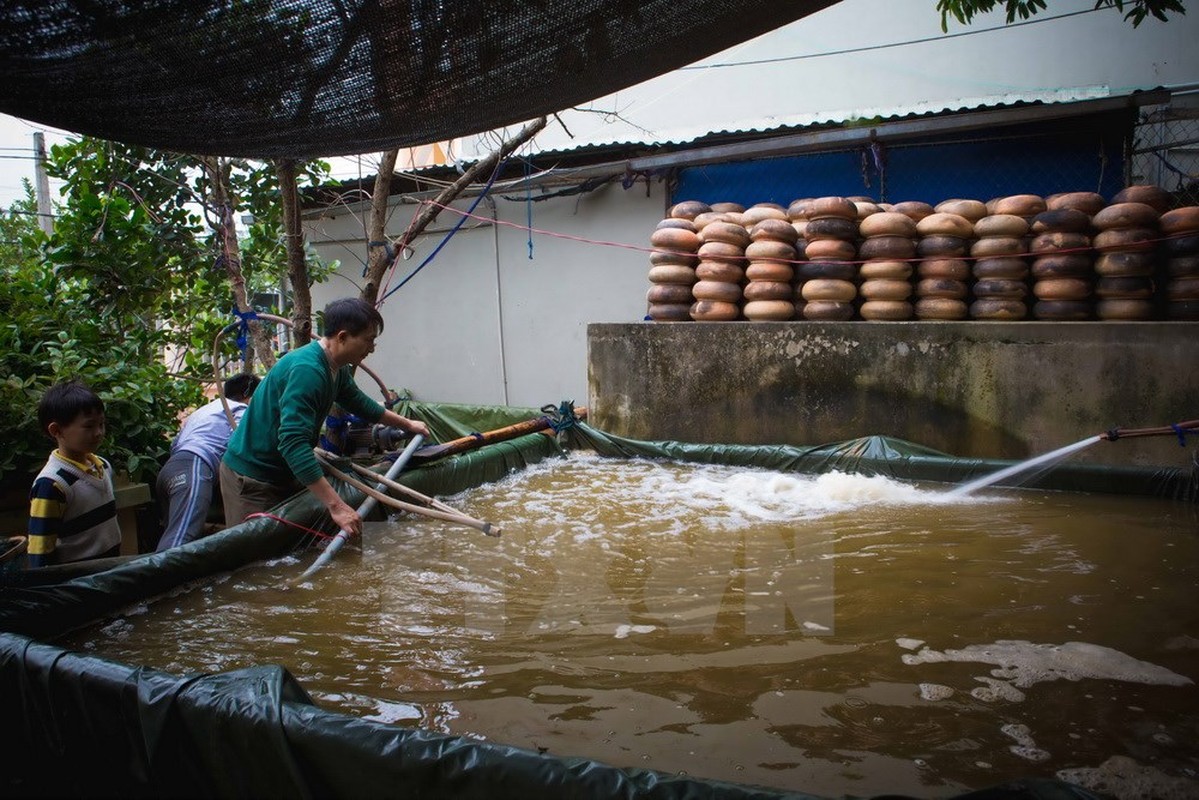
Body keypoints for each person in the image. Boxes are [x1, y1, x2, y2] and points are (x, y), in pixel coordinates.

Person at [220, 297, 430, 536]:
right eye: (368, 340)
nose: (371, 349)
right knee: (253, 561)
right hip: (252, 477)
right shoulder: (308, 371)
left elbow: (359, 403)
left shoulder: (335, 367)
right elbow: (292, 443)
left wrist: (407, 423)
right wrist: (337, 506)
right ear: (342, 337)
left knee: (292, 550)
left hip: (284, 472)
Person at [155, 372, 261, 552]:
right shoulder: (240, 410)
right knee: (178, 544)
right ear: (247, 394)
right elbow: (244, 445)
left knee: (172, 535)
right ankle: (160, 581)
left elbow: (176, 444)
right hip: (195, 468)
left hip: (170, 469)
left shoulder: (204, 411)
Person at [27, 380, 122, 568]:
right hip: (78, 582)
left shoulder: (103, 466)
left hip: (111, 570)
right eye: (89, 426)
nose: (98, 433)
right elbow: (40, 550)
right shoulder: (52, 484)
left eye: (101, 424)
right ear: (56, 430)